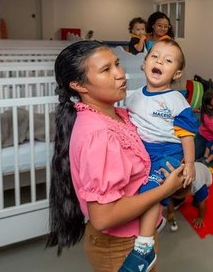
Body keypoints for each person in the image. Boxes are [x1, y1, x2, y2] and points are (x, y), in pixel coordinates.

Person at [46, 40, 185, 272]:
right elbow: (102, 217)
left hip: (139, 236)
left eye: (117, 64)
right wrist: (165, 190)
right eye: (106, 70)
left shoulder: (120, 114)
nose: (120, 74)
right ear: (79, 85)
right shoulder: (100, 134)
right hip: (121, 247)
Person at [122, 38, 198, 270]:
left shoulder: (176, 100)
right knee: (134, 187)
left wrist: (190, 163)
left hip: (169, 151)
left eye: (168, 60)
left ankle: (144, 248)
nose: (159, 62)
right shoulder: (133, 96)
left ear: (176, 74)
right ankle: (158, 217)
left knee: (151, 189)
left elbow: (186, 134)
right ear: (144, 64)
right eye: (154, 57)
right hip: (143, 151)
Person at [166, 161, 213, 232]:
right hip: (193, 167)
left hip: (204, 173)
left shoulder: (199, 186)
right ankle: (179, 200)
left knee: (198, 201)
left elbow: (202, 202)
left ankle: (186, 199)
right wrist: (170, 211)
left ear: (189, 192)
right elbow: (169, 197)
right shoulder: (171, 181)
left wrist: (200, 217)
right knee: (174, 198)